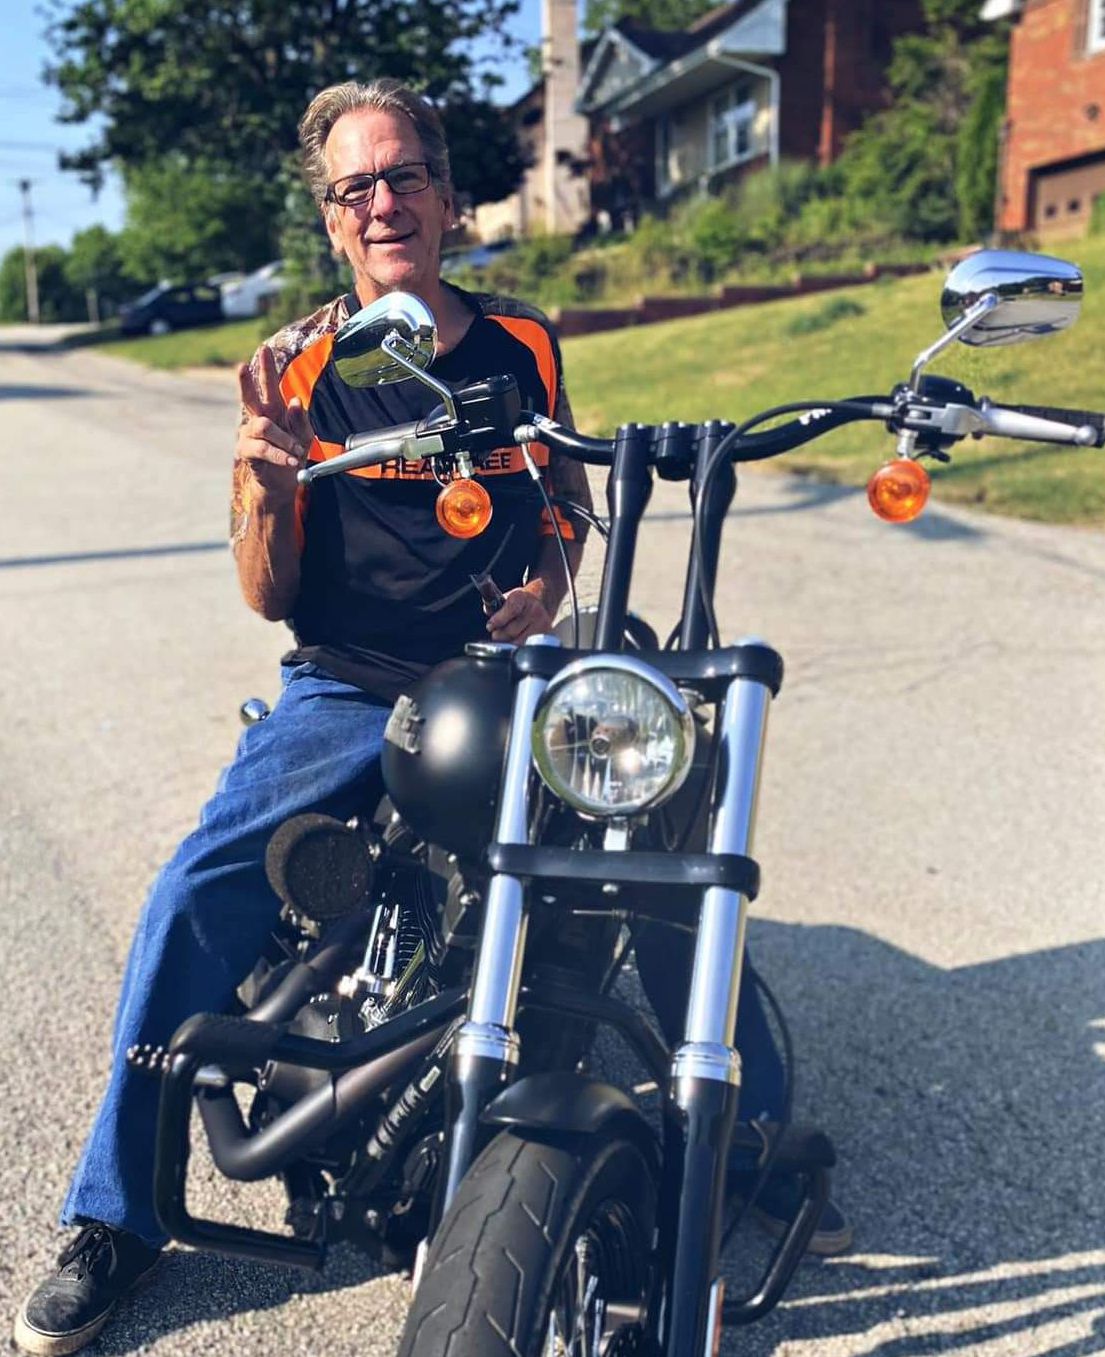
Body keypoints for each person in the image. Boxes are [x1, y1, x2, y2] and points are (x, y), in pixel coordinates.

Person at [14, 78, 846, 1357]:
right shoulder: (295, 364)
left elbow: (563, 497)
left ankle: (747, 1139)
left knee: (660, 837)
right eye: (355, 187)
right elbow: (267, 593)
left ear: (448, 199)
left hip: (512, 672)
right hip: (351, 681)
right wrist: (262, 483)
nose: (383, 203)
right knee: (195, 885)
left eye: (404, 175)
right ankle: (114, 1215)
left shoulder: (522, 343)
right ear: (331, 221)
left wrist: (548, 588)